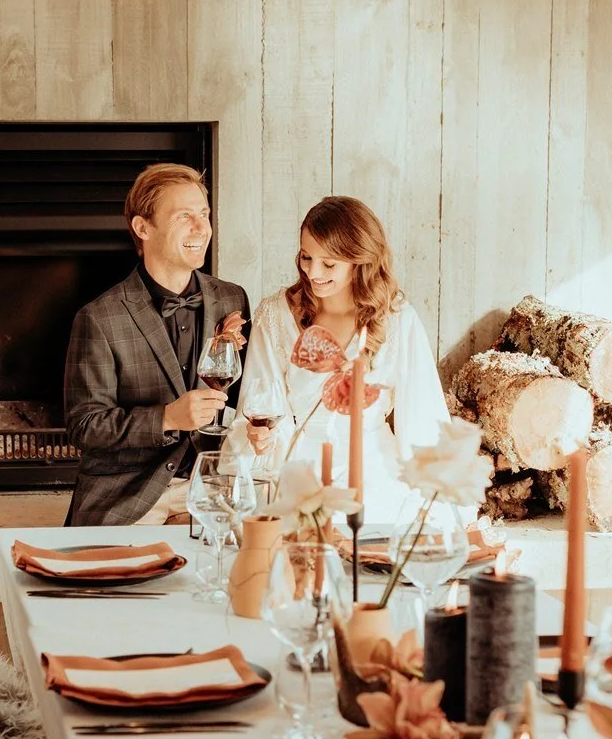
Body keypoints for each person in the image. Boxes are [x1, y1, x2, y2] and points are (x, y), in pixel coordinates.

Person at [229, 196, 448, 527]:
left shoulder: (398, 319)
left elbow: (422, 418)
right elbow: (260, 402)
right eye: (306, 257)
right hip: (298, 471)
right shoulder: (275, 316)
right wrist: (261, 437)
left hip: (375, 475)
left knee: (373, 545)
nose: (313, 272)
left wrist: (436, 505)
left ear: (360, 260)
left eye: (329, 264)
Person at [63, 163, 251, 526]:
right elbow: (84, 427)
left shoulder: (232, 298)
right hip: (128, 495)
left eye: (204, 214)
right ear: (142, 227)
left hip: (211, 485)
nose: (202, 228)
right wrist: (167, 418)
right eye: (184, 216)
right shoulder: (99, 318)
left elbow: (245, 400)